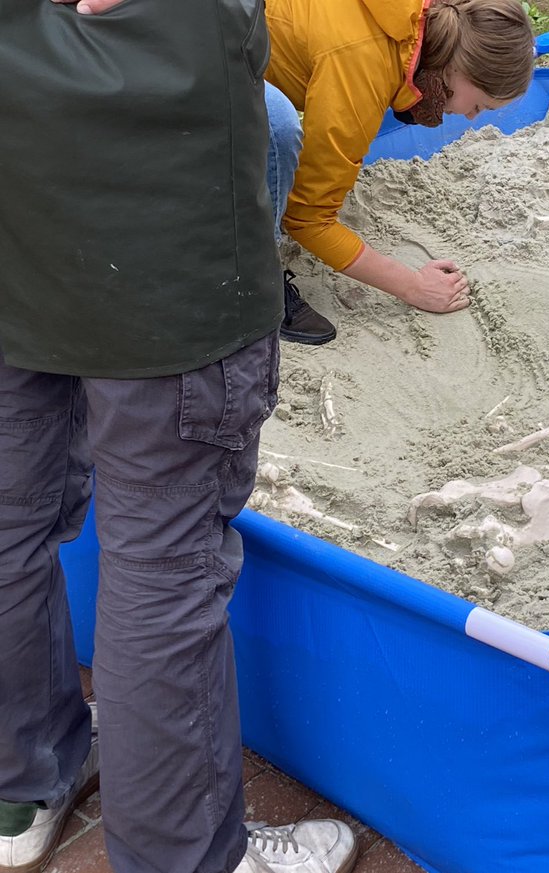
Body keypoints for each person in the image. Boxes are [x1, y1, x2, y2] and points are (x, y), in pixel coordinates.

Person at [0, 1, 357, 872]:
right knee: (163, 565)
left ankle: (19, 788)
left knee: (6, 517)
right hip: (155, 217)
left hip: (20, 192)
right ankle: (185, 858)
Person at [263, 0, 536, 344]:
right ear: (456, 69)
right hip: (193, 50)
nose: (471, 117)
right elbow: (308, 218)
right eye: (480, 105)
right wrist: (412, 286)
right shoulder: (365, 65)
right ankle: (254, 283)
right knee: (277, 134)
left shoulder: (411, 16)